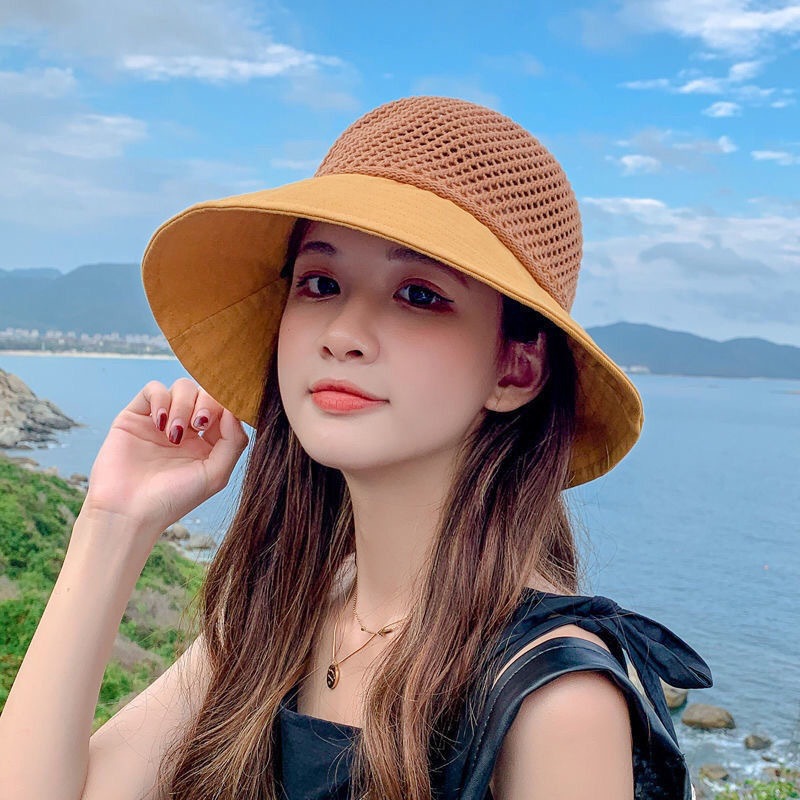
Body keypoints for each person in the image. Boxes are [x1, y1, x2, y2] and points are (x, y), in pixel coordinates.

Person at [0, 96, 712, 800]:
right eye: (320, 283)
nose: (342, 332)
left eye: (420, 294)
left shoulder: (552, 699)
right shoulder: (286, 612)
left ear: (515, 369)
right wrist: (115, 521)